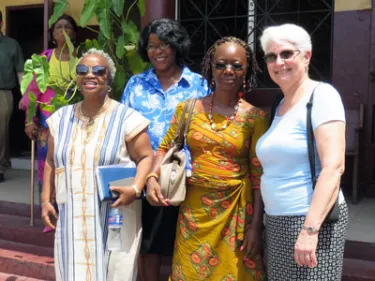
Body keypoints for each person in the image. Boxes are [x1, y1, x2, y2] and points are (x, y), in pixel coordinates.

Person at [147, 36, 268, 281]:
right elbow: (164, 149)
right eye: (221, 64)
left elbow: (258, 177)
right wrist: (151, 177)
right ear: (210, 68)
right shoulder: (188, 109)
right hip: (194, 212)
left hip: (237, 212)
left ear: (247, 70)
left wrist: (256, 226)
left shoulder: (255, 117)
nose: (228, 71)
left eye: (237, 65)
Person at [41, 48, 154, 281]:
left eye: (98, 71)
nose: (89, 75)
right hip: (73, 216)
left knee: (115, 272)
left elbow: (146, 157)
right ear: (77, 78)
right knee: (73, 270)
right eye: (83, 70)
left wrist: (135, 189)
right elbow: (51, 161)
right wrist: (45, 199)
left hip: (115, 215)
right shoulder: (60, 119)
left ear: (108, 79)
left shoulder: (127, 118)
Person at [256, 24, 348, 280]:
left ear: (306, 56)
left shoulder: (322, 96)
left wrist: (309, 230)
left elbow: (334, 167)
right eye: (271, 56)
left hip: (310, 221)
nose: (279, 62)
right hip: (276, 222)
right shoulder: (280, 104)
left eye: (287, 54)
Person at [120, 18, 208, 281]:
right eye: (151, 46)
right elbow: (122, 128)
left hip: (186, 175)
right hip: (145, 174)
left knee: (186, 243)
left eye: (164, 45)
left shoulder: (198, 85)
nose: (157, 51)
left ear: (177, 46)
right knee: (150, 245)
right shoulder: (136, 84)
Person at [19, 14, 79, 232]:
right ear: (52, 34)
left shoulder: (81, 59)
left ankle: (71, 213)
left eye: (68, 27)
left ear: (74, 32)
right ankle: (49, 213)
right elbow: (32, 92)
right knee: (47, 166)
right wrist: (28, 122)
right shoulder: (44, 58)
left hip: (76, 119)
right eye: (58, 27)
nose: (63, 30)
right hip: (47, 121)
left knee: (72, 165)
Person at [0, 10, 24, 182]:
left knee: (2, 132)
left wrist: (26, 96)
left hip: (4, 93)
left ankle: (0, 167)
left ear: (1, 23)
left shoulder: (11, 44)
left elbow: (20, 72)